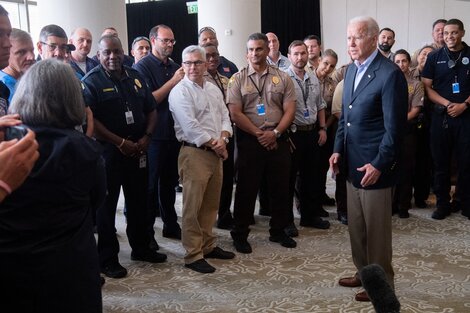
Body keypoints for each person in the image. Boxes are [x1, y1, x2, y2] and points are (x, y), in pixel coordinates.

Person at [2, 59, 105, 312]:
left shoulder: (6, 144)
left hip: (12, 270)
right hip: (71, 270)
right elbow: (96, 203)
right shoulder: (87, 149)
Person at [329, 16, 408, 302]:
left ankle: (382, 284)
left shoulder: (389, 74)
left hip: (375, 168)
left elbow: (395, 129)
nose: (350, 43)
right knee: (357, 229)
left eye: (357, 37)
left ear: (374, 39)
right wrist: (338, 149)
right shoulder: (350, 71)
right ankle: (364, 273)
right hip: (352, 164)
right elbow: (345, 119)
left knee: (376, 234)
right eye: (348, 37)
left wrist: (379, 164)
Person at [82, 35, 167, 279]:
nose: (112, 56)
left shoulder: (136, 77)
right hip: (108, 152)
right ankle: (107, 258)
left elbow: (150, 109)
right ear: (99, 55)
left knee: (139, 201)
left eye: (116, 51)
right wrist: (119, 142)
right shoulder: (92, 82)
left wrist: (147, 137)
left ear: (124, 53)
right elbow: (91, 120)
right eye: (107, 52)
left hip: (138, 149)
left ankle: (141, 247)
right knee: (106, 207)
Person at [227, 32, 297, 254]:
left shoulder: (283, 77)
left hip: (278, 138)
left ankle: (278, 230)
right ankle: (240, 233)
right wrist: (260, 134)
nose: (255, 53)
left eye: (259, 49)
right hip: (250, 140)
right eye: (251, 50)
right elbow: (235, 113)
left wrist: (274, 133)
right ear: (246, 53)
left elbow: (290, 110)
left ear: (268, 50)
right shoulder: (237, 79)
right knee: (247, 189)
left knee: (280, 187)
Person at [169, 45, 235, 273]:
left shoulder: (214, 89)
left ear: (206, 64)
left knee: (210, 205)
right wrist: (218, 146)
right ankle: (193, 254)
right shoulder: (180, 91)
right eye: (187, 63)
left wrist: (224, 138)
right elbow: (191, 127)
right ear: (182, 66)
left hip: (216, 153)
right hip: (194, 153)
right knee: (192, 207)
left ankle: (207, 245)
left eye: (197, 62)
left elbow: (225, 117)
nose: (192, 67)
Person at [133, 24, 185, 246]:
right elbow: (150, 101)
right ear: (153, 41)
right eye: (165, 40)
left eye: (172, 41)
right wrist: (173, 81)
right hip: (153, 136)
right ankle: (147, 235)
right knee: (149, 187)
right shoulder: (141, 67)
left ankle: (170, 225)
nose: (170, 45)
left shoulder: (174, 65)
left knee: (169, 184)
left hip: (174, 134)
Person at [421, 18, 470, 220]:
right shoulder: (434, 56)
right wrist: (447, 104)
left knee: (466, 163)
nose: (449, 36)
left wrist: (464, 105)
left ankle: (464, 202)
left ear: (462, 33)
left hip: (466, 116)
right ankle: (442, 204)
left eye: (454, 32)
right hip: (441, 117)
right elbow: (427, 87)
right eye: (446, 33)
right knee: (440, 163)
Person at [285, 40, 330, 232]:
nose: (300, 57)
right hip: (293, 134)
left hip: (312, 132)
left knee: (310, 177)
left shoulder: (313, 77)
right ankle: (287, 222)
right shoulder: (284, 78)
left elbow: (320, 105)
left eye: (303, 53)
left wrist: (322, 128)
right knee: (288, 179)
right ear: (289, 56)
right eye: (296, 54)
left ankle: (309, 216)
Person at [37, 24, 94, 137]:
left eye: (63, 47)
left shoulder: (71, 76)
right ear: (40, 48)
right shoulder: (32, 80)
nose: (58, 53)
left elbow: (87, 111)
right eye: (52, 46)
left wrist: (86, 141)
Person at [201, 43, 235, 230]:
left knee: (227, 177)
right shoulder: (199, 81)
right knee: (208, 182)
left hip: (227, 134)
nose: (212, 59)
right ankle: (208, 219)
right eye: (208, 56)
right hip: (209, 140)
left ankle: (224, 214)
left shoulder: (225, 79)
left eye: (215, 55)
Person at [393, 49, 424, 218]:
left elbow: (415, 110)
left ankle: (403, 205)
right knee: (391, 167)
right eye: (397, 61)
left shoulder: (416, 84)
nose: (401, 64)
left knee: (406, 169)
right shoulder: (388, 82)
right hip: (389, 131)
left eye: (404, 61)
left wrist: (397, 122)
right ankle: (392, 204)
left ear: (409, 63)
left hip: (407, 131)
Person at [410, 45, 435, 208]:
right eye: (423, 53)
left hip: (430, 121)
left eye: (430, 55)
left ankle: (421, 196)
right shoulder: (408, 72)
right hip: (410, 121)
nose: (426, 57)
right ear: (418, 56)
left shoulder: (437, 73)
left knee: (425, 161)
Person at [314, 49, 339, 210]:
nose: (328, 68)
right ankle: (311, 201)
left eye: (332, 66)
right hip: (308, 127)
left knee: (323, 164)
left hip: (326, 128)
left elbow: (333, 110)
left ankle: (321, 193)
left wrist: (325, 127)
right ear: (319, 61)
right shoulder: (308, 78)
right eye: (325, 63)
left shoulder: (332, 84)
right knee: (310, 167)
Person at [0, 28, 34, 103]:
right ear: (7, 52)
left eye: (32, 50)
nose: (31, 57)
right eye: (21, 52)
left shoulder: (30, 80)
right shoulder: (3, 89)